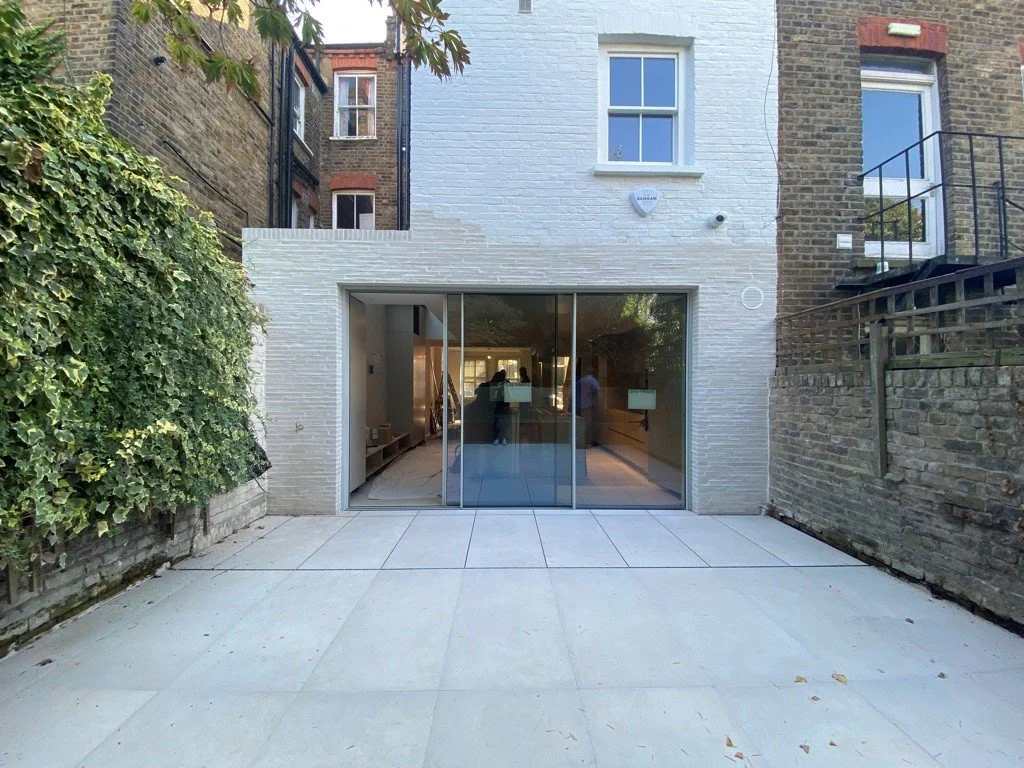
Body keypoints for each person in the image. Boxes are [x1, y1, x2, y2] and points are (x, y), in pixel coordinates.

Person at [574, 361, 600, 448]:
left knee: (579, 424)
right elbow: (599, 392)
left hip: (577, 406)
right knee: (587, 424)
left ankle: (578, 442)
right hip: (587, 406)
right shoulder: (592, 380)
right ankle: (585, 443)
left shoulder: (579, 381)